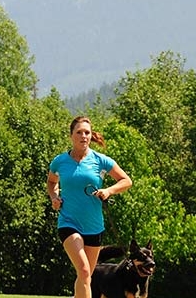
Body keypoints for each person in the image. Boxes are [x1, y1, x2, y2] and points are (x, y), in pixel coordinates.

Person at [47, 116, 132, 298]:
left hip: (94, 227)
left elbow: (126, 181)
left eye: (87, 132)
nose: (83, 136)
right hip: (68, 222)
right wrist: (54, 197)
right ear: (71, 136)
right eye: (79, 132)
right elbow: (52, 182)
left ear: (91, 136)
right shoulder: (60, 161)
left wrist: (109, 191)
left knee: (85, 277)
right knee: (85, 271)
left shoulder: (101, 160)